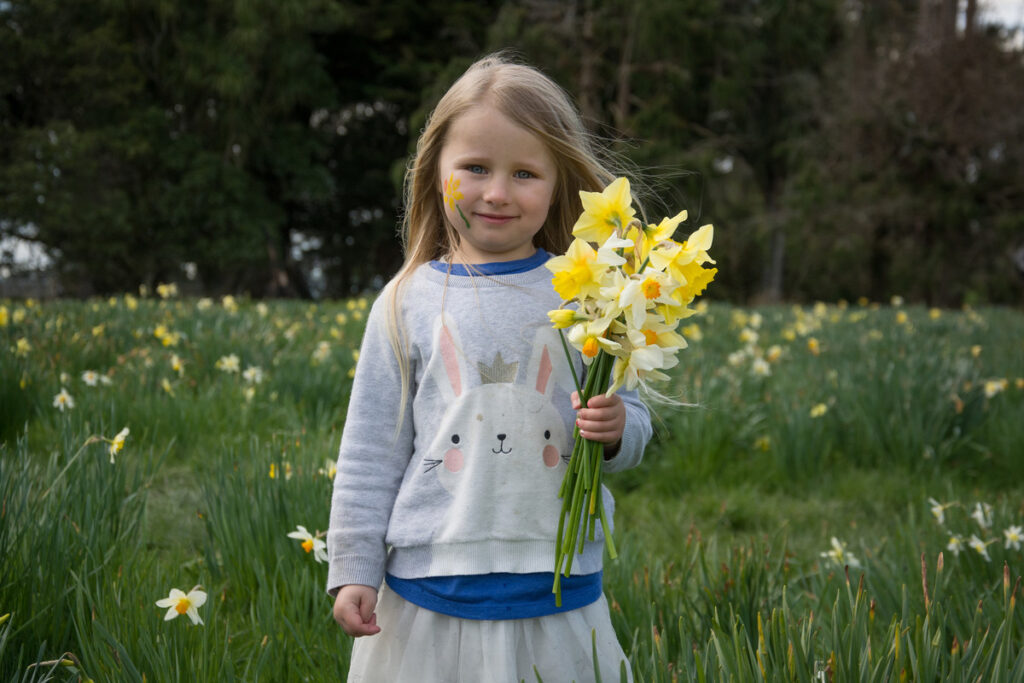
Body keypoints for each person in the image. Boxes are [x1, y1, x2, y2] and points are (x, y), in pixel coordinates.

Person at [326, 52, 652, 682]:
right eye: (474, 168)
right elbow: (371, 448)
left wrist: (617, 429)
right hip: (429, 585)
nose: (497, 193)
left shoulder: (589, 294)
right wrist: (353, 567)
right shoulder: (408, 301)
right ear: (434, 172)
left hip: (555, 580)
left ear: (560, 183)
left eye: (525, 173)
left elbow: (632, 416)